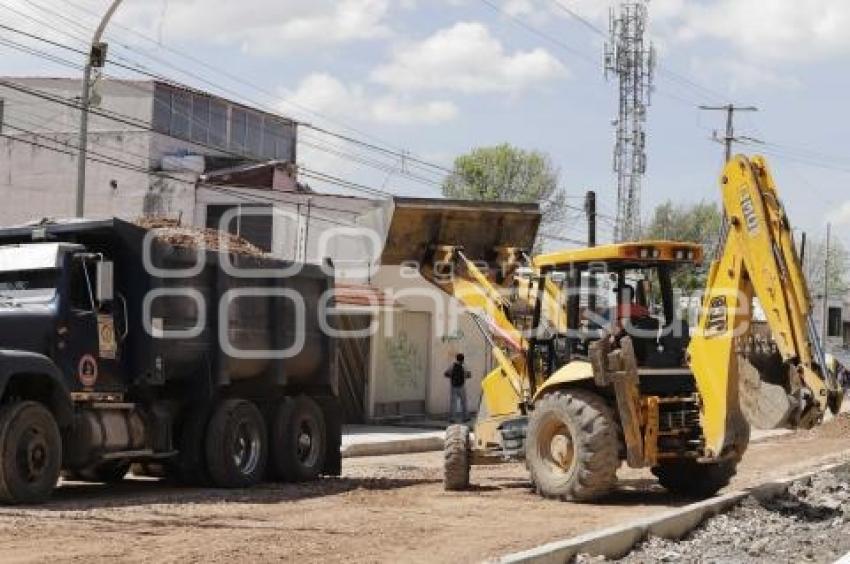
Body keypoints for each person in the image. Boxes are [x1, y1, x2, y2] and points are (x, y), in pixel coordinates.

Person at [445, 353, 471, 423]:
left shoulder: (452, 365)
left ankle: (452, 418)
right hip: (462, 386)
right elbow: (469, 375)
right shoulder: (464, 366)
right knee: (464, 402)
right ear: (463, 359)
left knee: (453, 403)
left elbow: (446, 373)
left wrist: (452, 376)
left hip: (453, 386)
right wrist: (464, 376)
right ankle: (465, 417)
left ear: (456, 358)